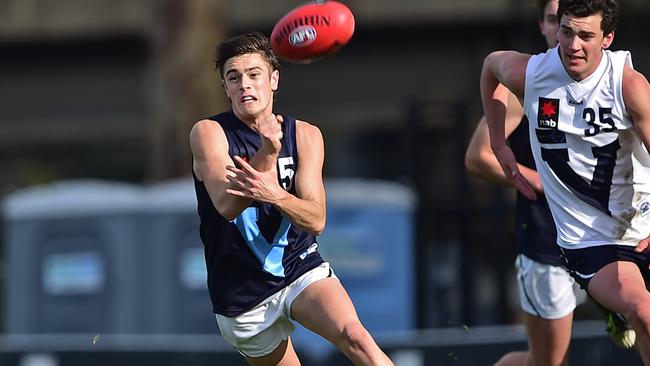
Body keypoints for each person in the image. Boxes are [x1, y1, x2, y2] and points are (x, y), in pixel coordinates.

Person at [189, 32, 394, 366]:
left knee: (355, 336)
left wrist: (276, 195)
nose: (245, 85)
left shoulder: (306, 136)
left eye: (254, 75)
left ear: (274, 80)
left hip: (299, 266)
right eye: (234, 77)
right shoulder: (208, 133)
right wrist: (268, 151)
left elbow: (316, 219)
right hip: (242, 293)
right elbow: (226, 206)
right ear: (225, 88)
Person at [480, 0, 650, 364]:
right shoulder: (533, 74)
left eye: (585, 35)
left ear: (607, 38)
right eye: (566, 30)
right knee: (548, 362)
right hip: (573, 238)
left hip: (636, 222)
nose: (573, 45)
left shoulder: (628, 86)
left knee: (643, 313)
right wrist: (499, 144)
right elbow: (490, 66)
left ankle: (617, 313)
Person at [466, 1, 587, 365]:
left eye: (571, 23)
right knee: (548, 362)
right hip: (546, 244)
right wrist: (544, 182)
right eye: (555, 21)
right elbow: (478, 156)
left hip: (603, 238)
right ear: (543, 25)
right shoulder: (526, 81)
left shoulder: (610, 80)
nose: (564, 33)